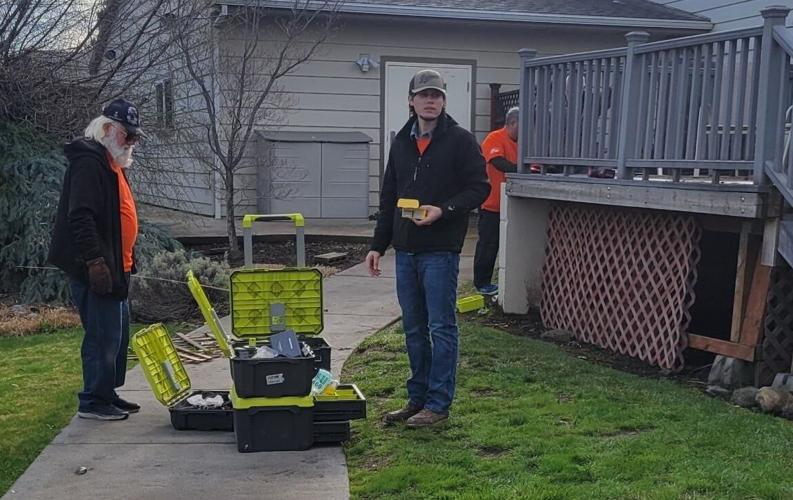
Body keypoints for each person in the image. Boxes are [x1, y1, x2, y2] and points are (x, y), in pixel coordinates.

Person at [365, 69, 489, 427]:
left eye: (437, 95)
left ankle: (437, 404)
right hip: (406, 251)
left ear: (444, 101)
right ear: (412, 101)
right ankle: (416, 399)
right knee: (414, 329)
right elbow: (389, 196)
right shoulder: (401, 142)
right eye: (424, 95)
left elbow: (479, 188)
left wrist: (444, 210)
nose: (430, 100)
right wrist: (378, 245)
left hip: (440, 251)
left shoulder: (461, 141)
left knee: (441, 327)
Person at [49, 99, 143, 421]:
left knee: (117, 335)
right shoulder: (89, 163)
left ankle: (107, 393)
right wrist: (95, 262)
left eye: (134, 136)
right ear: (106, 129)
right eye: (126, 135)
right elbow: (80, 216)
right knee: (101, 336)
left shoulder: (111, 163)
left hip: (118, 265)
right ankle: (92, 400)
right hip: (98, 268)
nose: (131, 142)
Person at [473, 106, 519, 295]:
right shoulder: (495, 138)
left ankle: (498, 280)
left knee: (505, 245)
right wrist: (521, 169)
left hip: (512, 205)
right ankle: (481, 282)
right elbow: (497, 161)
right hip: (491, 204)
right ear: (512, 123)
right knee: (488, 245)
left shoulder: (521, 143)